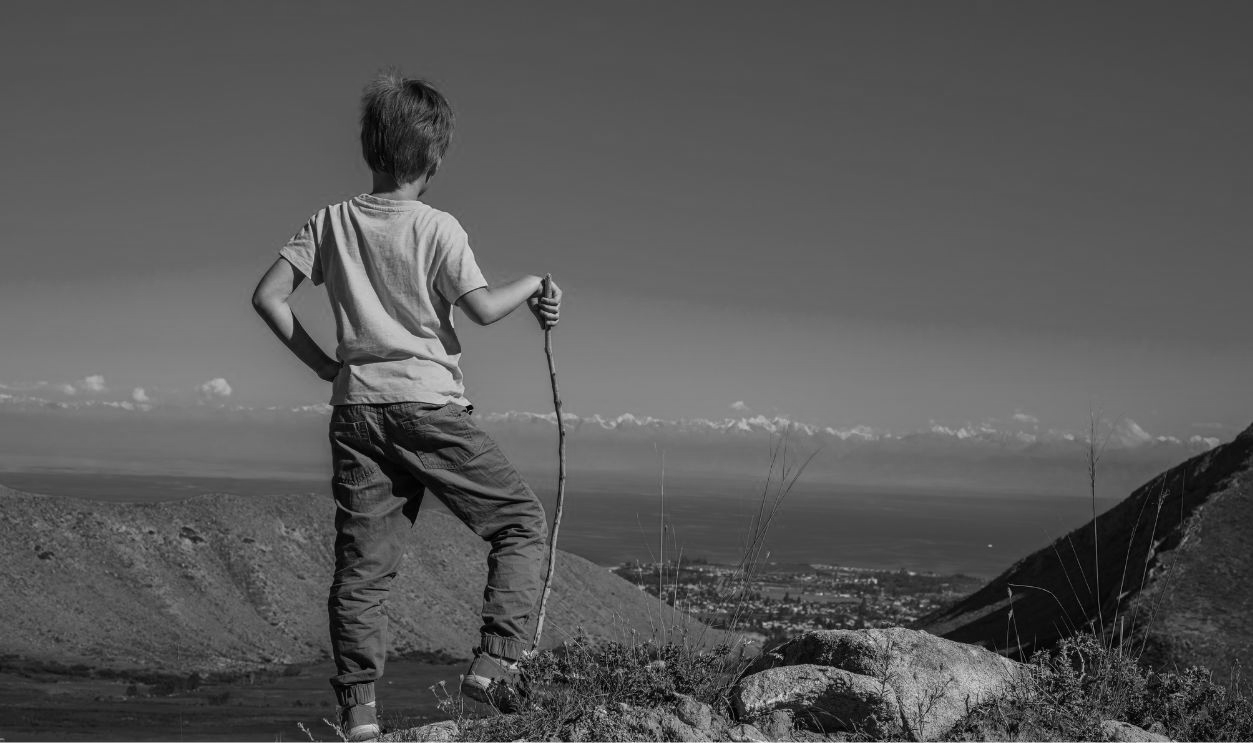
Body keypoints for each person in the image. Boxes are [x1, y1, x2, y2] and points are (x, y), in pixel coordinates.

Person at [251, 70, 561, 741]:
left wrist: (327, 367)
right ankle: (496, 661)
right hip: (428, 408)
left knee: (363, 569)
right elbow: (479, 310)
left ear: (369, 147)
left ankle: (359, 711)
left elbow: (268, 297)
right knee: (520, 523)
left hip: (356, 409)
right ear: (436, 157)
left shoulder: (329, 222)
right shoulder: (438, 228)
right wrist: (534, 282)